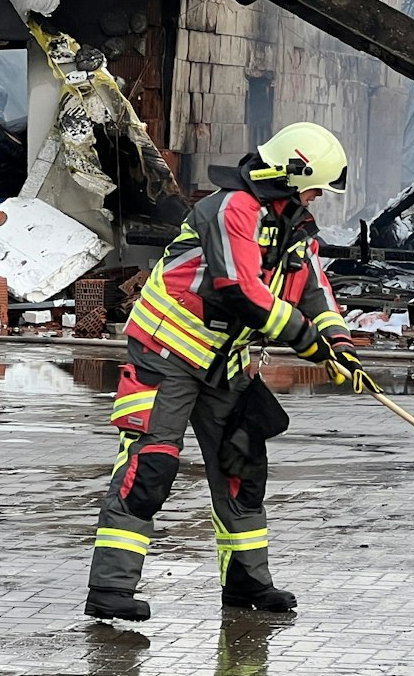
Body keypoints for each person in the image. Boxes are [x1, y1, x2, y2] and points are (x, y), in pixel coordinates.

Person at [85, 121, 376, 621]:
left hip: (227, 364)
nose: (316, 198)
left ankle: (246, 585)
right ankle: (109, 590)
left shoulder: (294, 225)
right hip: (168, 354)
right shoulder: (230, 208)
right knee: (151, 466)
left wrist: (340, 344)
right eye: (314, 187)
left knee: (243, 468)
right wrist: (310, 344)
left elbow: (313, 291)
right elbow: (241, 289)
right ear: (291, 173)